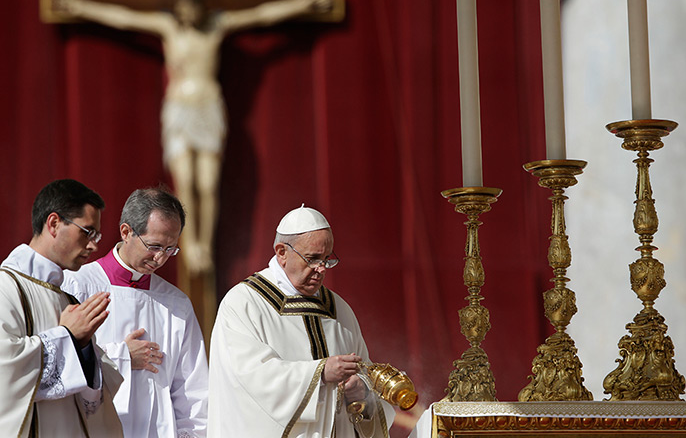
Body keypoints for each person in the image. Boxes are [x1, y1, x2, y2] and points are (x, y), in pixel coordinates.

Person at [53, 0, 333, 274]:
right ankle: (191, 244)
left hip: (207, 107)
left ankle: (205, 246)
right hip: (180, 109)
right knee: (185, 180)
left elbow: (261, 16)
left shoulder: (215, 27)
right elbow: (124, 18)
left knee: (208, 182)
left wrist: (301, 4)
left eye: (194, 9)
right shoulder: (167, 28)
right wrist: (81, 8)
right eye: (184, 9)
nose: (190, 15)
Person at [208, 205, 395, 437]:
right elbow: (249, 380)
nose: (321, 269)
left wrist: (362, 392)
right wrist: (320, 372)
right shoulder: (244, 303)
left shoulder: (339, 310)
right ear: (281, 252)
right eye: (312, 259)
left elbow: (364, 371)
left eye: (327, 259)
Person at [62, 187, 209, 437]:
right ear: (126, 232)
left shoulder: (176, 303)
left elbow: (193, 392)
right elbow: (57, 362)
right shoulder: (77, 285)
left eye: (171, 249)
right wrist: (121, 356)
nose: (161, 258)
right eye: (154, 246)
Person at [0, 178, 123, 437]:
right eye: (87, 232)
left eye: (97, 235)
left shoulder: (67, 299)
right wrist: (67, 336)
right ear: (54, 224)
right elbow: (5, 369)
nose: (94, 245)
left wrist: (86, 348)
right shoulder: (6, 287)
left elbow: (91, 398)